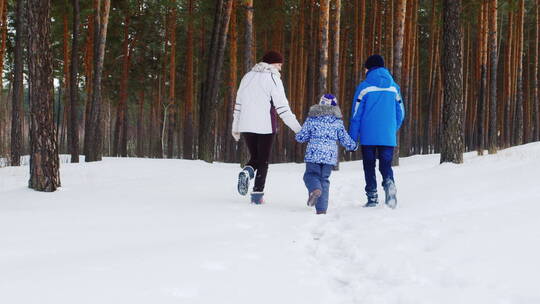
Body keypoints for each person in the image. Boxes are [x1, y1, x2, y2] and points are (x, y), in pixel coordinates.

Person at [231, 50, 302, 204]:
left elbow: (238, 105)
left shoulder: (247, 77)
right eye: (279, 65)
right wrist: (299, 129)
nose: (280, 69)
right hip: (265, 126)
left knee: (255, 158)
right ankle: (257, 196)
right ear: (272, 64)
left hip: (246, 125)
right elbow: (283, 108)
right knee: (263, 161)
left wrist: (235, 126)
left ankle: (247, 172)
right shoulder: (273, 78)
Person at [348, 54, 405, 209]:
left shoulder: (364, 87)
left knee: (369, 165)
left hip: (368, 136)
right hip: (387, 134)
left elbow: (356, 115)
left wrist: (352, 138)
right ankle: (389, 183)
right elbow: (400, 112)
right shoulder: (394, 87)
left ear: (368, 68)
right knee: (385, 164)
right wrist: (392, 129)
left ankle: (372, 197)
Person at [296, 94, 357, 214]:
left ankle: (314, 189)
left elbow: (301, 137)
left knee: (310, 176)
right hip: (329, 156)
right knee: (324, 179)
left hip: (313, 154)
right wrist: (353, 146)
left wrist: (300, 135)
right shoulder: (337, 122)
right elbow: (344, 138)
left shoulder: (312, 119)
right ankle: (321, 209)